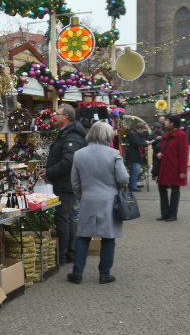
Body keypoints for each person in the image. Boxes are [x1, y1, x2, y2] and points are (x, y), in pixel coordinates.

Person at [67, 122, 128, 285]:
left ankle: (78, 272)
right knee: (108, 238)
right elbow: (123, 179)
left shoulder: (79, 154)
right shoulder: (114, 154)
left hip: (87, 199)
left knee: (83, 237)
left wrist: (82, 196)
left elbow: (75, 182)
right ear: (107, 136)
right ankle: (104, 274)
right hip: (109, 201)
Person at [38, 104, 88, 265]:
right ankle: (69, 253)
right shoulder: (68, 133)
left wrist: (50, 172)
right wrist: (50, 169)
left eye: (57, 114)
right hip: (66, 182)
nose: (55, 117)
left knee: (63, 218)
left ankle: (63, 255)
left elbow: (68, 161)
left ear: (65, 117)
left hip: (65, 183)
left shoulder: (71, 136)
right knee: (67, 218)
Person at [156, 114, 189, 222]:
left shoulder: (181, 135)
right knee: (162, 188)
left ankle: (172, 214)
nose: (164, 122)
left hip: (175, 167)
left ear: (172, 123)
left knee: (175, 190)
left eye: (166, 120)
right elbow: (165, 148)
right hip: (165, 166)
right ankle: (165, 213)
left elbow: (184, 154)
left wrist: (183, 170)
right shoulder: (166, 133)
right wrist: (160, 153)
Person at [125, 122, 151, 192]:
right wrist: (146, 143)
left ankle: (132, 185)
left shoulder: (136, 134)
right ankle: (133, 186)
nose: (143, 131)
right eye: (143, 129)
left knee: (134, 171)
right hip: (134, 156)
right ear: (139, 128)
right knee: (135, 171)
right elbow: (137, 143)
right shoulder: (135, 134)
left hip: (136, 155)